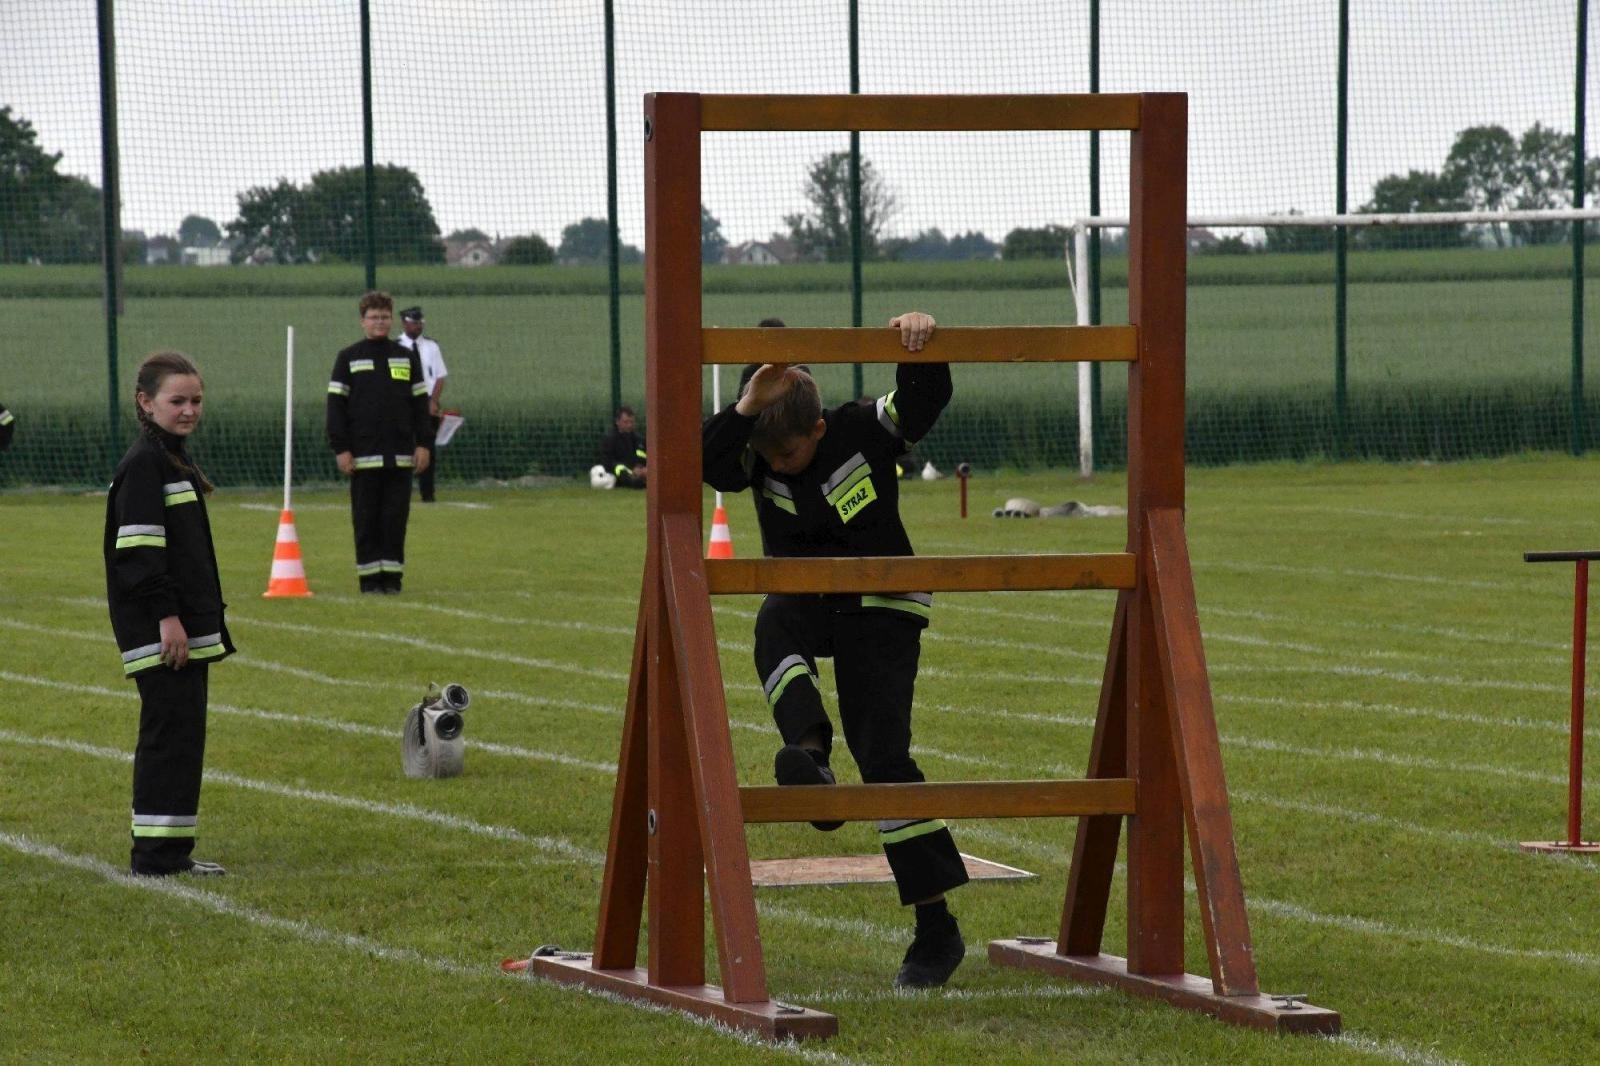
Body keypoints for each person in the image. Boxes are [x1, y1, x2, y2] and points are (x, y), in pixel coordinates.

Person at [702, 311, 969, 989]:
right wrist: (745, 407)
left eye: (787, 456)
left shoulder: (859, 426)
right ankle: (811, 760)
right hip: (808, 598)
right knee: (773, 622)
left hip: (883, 602)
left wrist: (919, 341)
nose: (776, 468)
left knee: (883, 758)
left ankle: (935, 927)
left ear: (818, 429)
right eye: (767, 459)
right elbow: (703, 461)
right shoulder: (754, 451)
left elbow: (923, 400)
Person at [104, 351, 234, 877]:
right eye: (176, 400)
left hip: (181, 627)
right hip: (162, 632)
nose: (188, 410)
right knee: (168, 736)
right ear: (145, 402)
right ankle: (156, 855)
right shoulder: (145, 465)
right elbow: (138, 552)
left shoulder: (170, 459)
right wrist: (167, 618)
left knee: (183, 736)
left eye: (196, 400)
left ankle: (169, 851)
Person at [327, 291, 432, 594]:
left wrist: (423, 444)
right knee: (366, 520)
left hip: (400, 456)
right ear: (362, 321)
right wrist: (341, 448)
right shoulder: (348, 358)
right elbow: (336, 408)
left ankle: (392, 579)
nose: (380, 322)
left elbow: (419, 405)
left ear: (391, 320)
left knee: (394, 520)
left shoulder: (405, 357)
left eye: (385, 317)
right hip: (363, 457)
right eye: (374, 317)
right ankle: (370, 581)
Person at [398, 306, 448, 503]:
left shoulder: (431, 346)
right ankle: (401, 492)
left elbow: (439, 376)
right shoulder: (396, 346)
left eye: (420, 323)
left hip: (426, 405)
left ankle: (428, 494)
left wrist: (433, 401)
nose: (418, 326)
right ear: (404, 323)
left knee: (427, 449)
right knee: (403, 449)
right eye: (414, 322)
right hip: (404, 405)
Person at [600, 405, 647, 489]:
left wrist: (641, 468)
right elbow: (608, 463)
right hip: (621, 472)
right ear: (617, 422)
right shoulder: (610, 440)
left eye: (632, 422)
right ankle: (636, 481)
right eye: (626, 422)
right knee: (618, 468)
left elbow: (644, 456)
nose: (629, 425)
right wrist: (632, 470)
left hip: (639, 471)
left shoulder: (639, 440)